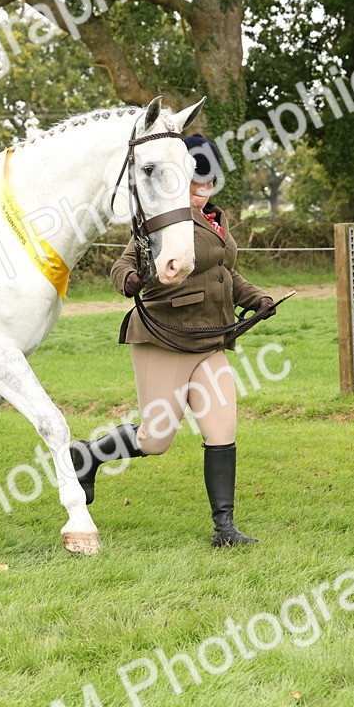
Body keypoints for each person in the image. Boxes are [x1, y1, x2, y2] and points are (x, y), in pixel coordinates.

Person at [70, 134, 276, 547]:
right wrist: (128, 280)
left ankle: (225, 529)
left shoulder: (217, 220)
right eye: (194, 184)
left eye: (208, 184)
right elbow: (123, 263)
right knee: (155, 440)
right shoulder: (163, 220)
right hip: (164, 337)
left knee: (222, 427)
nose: (202, 193)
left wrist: (257, 298)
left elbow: (223, 272)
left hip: (209, 340)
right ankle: (87, 456)